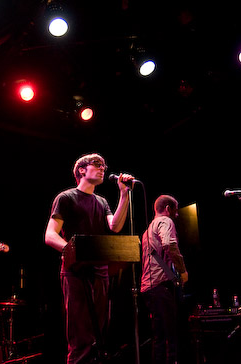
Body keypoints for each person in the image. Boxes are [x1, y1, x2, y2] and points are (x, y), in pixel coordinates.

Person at [44, 153, 135, 364]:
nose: (103, 168)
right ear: (82, 170)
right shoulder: (66, 198)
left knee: (99, 330)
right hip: (76, 271)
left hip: (100, 270)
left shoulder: (102, 201)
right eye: (97, 164)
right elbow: (50, 235)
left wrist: (124, 195)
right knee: (80, 332)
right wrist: (76, 252)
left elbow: (115, 226)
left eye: (104, 165)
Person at [140, 195, 188, 364]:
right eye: (175, 210)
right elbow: (169, 244)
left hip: (148, 288)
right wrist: (182, 271)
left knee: (159, 337)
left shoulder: (147, 230)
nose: (177, 214)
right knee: (170, 336)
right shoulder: (166, 222)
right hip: (161, 286)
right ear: (168, 208)